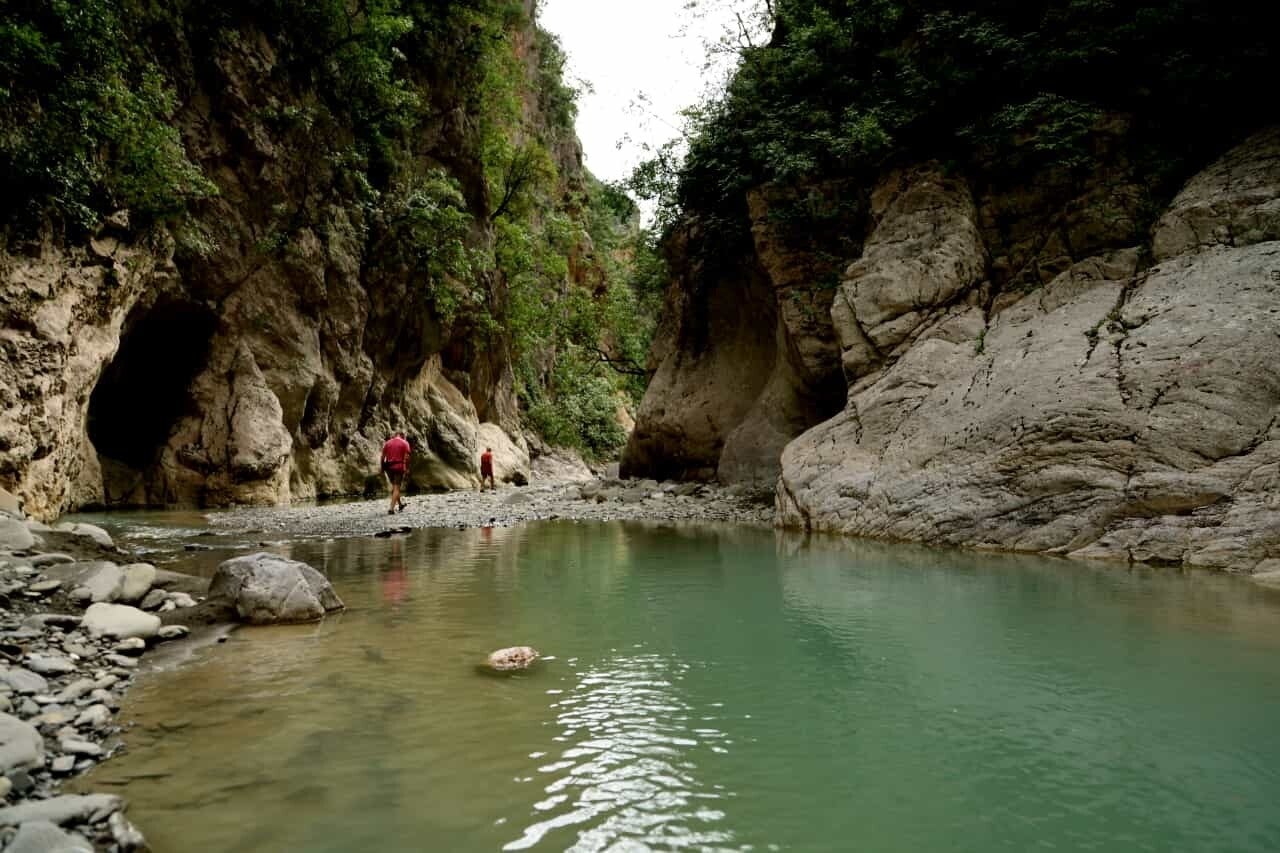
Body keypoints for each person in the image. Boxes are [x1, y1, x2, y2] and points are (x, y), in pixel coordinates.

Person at [381, 431, 411, 515]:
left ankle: (400, 505)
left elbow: (382, 457)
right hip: (399, 467)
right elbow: (408, 457)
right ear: (402, 436)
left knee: (395, 487)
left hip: (389, 468)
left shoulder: (387, 443)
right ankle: (391, 509)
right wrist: (407, 468)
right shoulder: (405, 443)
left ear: (394, 435)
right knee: (396, 488)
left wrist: (382, 468)